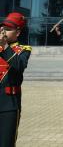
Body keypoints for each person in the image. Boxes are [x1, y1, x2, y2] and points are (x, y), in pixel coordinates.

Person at [0, 12, 31, 147]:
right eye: (2, 28)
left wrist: (5, 46)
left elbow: (19, 65)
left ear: (17, 32)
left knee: (6, 142)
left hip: (9, 104)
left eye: (8, 29)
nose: (3, 31)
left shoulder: (23, 50)